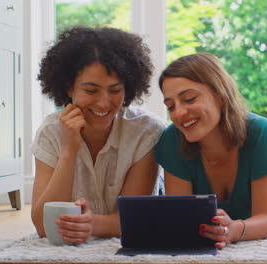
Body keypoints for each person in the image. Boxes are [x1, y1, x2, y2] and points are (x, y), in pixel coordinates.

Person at [154, 53, 267, 248]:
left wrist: (235, 230)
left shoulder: (261, 132)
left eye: (189, 99)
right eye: (170, 106)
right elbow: (182, 217)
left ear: (219, 95)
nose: (178, 113)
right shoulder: (173, 138)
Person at [31, 27, 166, 244]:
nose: (104, 102)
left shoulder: (146, 132)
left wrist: (92, 224)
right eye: (91, 91)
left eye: (114, 91)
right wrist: (69, 150)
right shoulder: (50, 133)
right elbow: (42, 226)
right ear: (69, 88)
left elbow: (136, 218)